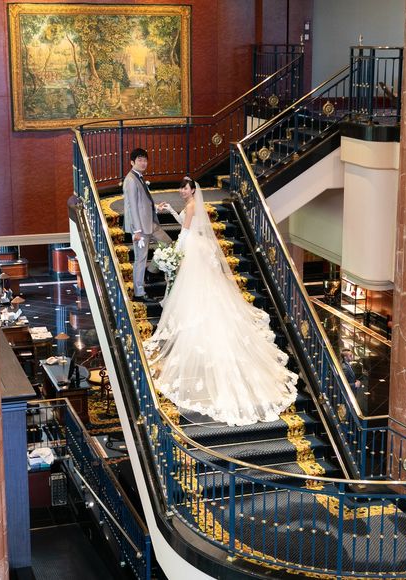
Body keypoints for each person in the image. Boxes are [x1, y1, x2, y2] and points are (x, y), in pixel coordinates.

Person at [144, 177, 298, 426]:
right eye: (181, 188)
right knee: (201, 290)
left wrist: (173, 254)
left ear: (192, 190)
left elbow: (185, 232)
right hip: (197, 246)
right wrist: (171, 210)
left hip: (191, 249)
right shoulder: (192, 206)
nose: (182, 191)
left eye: (185, 188)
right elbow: (185, 224)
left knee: (193, 291)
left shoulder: (192, 206)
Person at [122, 148, 171, 302]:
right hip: (140, 227)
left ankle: (151, 271)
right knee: (140, 259)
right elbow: (132, 207)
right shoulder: (131, 180)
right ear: (132, 162)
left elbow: (143, 202)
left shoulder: (139, 177)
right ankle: (139, 292)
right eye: (140, 160)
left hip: (150, 222)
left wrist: (155, 207)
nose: (143, 163)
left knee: (167, 242)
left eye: (145, 160)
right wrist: (136, 230)